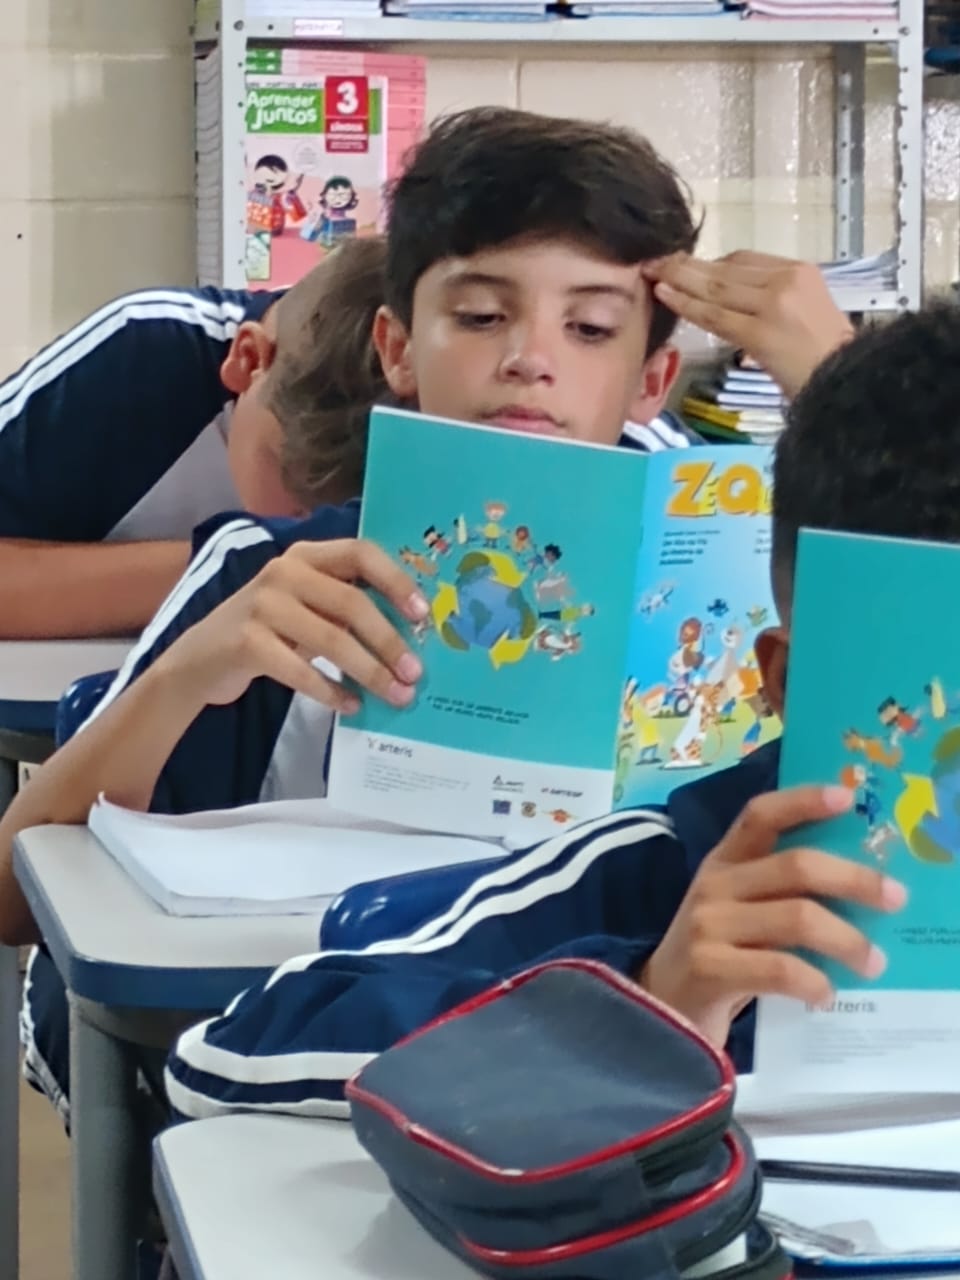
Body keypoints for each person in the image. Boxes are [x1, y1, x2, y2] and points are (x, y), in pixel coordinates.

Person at [154, 301, 951, 1120]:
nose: (532, 360)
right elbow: (231, 1054)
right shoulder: (676, 882)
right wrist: (653, 1007)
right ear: (787, 681)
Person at [0, 238, 382, 638]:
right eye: (296, 483)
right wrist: (232, 567)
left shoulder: (420, 400)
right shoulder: (144, 357)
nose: (317, 524)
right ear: (248, 360)